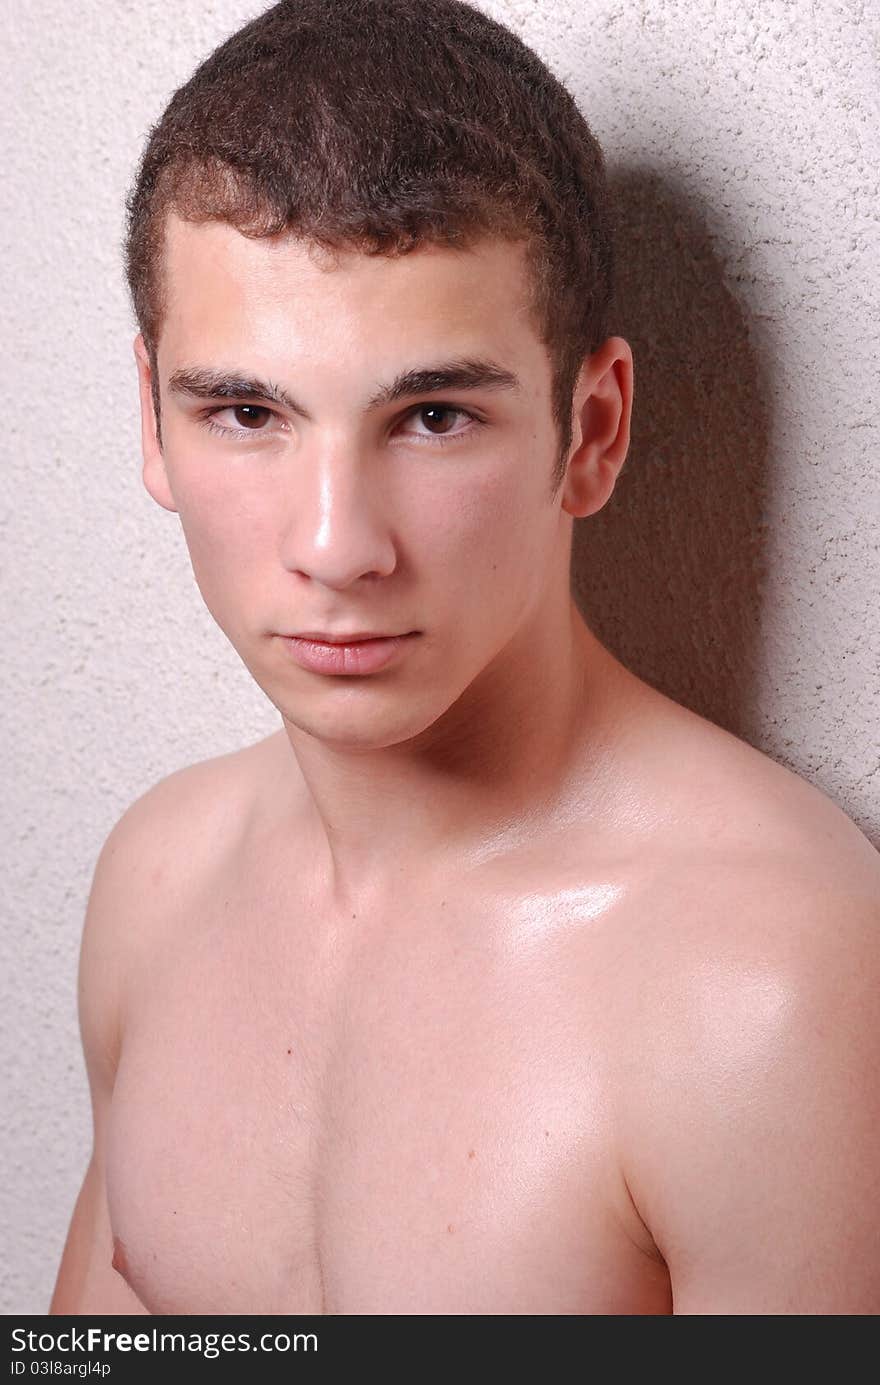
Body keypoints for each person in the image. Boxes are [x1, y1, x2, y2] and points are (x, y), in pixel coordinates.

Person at [50, 0, 879, 1316]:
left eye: (433, 415)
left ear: (591, 430)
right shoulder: (157, 884)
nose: (337, 546)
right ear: (153, 420)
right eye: (248, 411)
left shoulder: (773, 982)